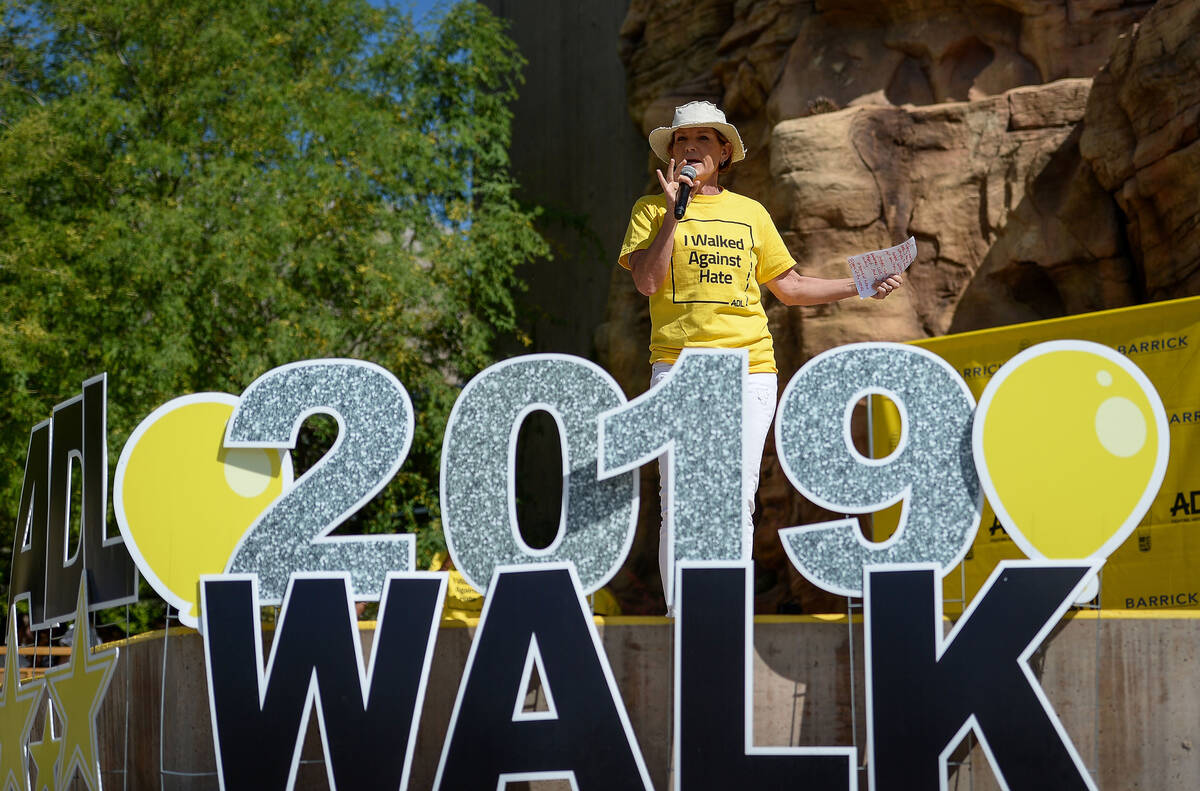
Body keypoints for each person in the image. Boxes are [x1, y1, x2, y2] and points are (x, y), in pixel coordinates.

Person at [617, 100, 902, 609]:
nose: (690, 148)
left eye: (703, 139)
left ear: (723, 152)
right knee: (677, 499)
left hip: (748, 368)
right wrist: (672, 215)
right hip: (677, 369)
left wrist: (861, 284)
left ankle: (724, 611)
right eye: (682, 140)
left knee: (736, 493)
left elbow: (789, 288)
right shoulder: (650, 209)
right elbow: (647, 281)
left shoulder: (751, 214)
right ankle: (680, 614)